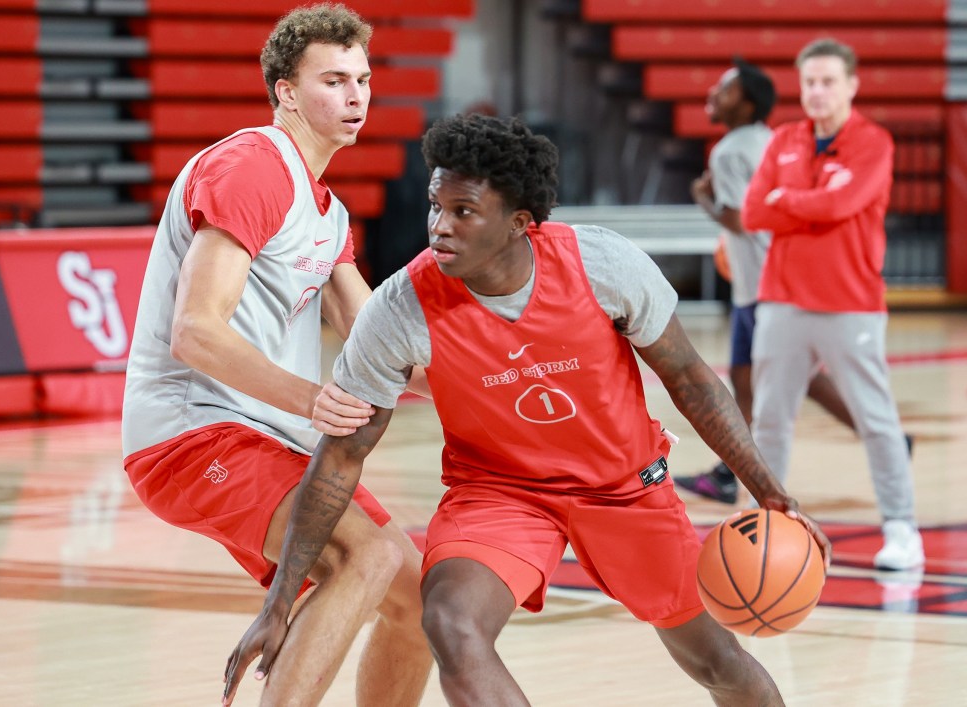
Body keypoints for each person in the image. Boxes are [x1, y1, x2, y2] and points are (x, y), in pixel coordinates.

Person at [225, 113, 832, 706]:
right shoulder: (401, 308)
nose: (440, 226)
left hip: (625, 488)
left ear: (519, 222)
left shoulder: (602, 266)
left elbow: (691, 378)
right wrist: (278, 602)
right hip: (501, 493)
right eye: (436, 206)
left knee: (715, 661)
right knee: (450, 621)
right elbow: (341, 456)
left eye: (463, 212)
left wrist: (768, 490)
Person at [120, 5, 432, 706]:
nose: (355, 96)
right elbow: (195, 329)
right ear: (286, 90)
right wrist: (310, 399)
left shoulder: (328, 211)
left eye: (363, 79)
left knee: (422, 600)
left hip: (267, 438)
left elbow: (382, 339)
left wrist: (505, 391)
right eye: (333, 80)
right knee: (367, 554)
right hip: (191, 433)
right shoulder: (253, 166)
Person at [742, 38, 924, 570]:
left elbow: (842, 202)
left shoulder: (874, 142)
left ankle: (901, 527)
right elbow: (754, 211)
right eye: (810, 83)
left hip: (851, 303)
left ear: (851, 85)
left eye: (828, 81)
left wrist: (790, 202)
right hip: (781, 300)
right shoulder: (783, 140)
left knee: (877, 419)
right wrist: (807, 207)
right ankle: (765, 527)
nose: (817, 92)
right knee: (770, 419)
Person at [676, 57, 859, 505]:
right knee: (746, 379)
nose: (713, 95)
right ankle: (728, 471)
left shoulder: (729, 151)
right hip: (773, 279)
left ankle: (881, 435)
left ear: (748, 102)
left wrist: (703, 199)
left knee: (790, 377)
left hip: (760, 285)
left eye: (726, 89)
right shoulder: (774, 141)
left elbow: (739, 219)